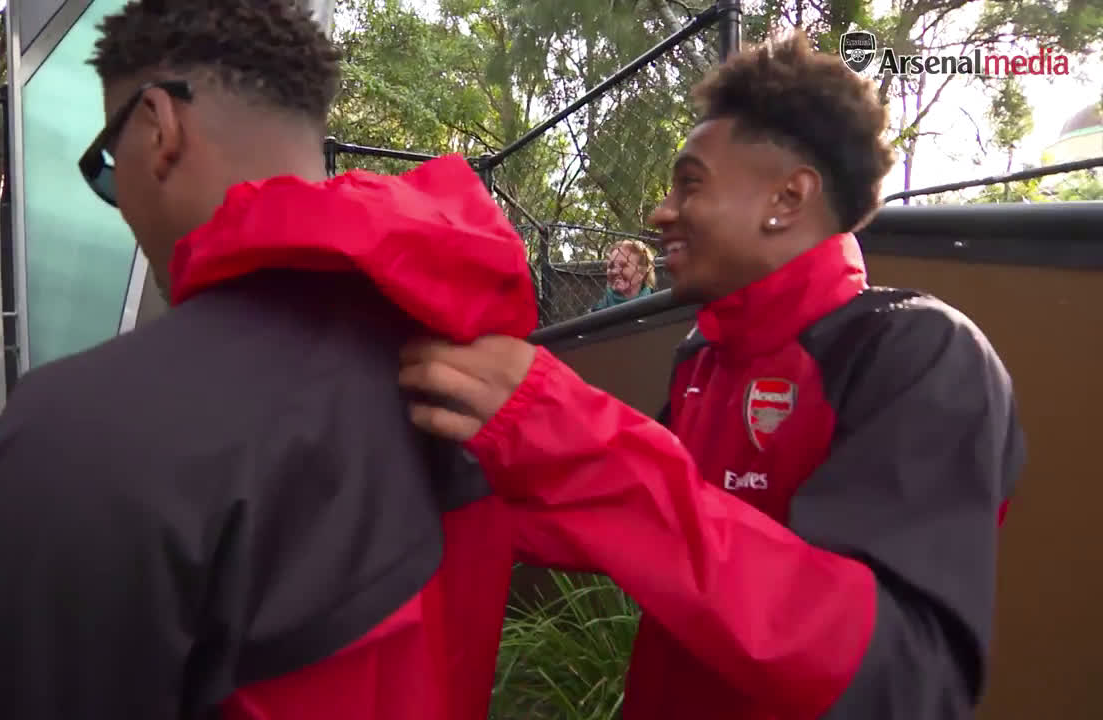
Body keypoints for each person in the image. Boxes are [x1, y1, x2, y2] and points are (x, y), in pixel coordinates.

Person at [0, 2, 536, 719]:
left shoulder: (83, 432)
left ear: (159, 127)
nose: (120, 202)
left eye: (108, 168)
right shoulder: (498, 392)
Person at [399, 31, 1023, 720]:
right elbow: (635, 529)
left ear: (787, 198)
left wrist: (571, 436)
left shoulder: (920, 354)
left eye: (689, 184)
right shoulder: (706, 355)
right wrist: (437, 474)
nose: (660, 212)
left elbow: (904, 678)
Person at [591, 239, 657, 311]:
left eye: (623, 266)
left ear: (642, 272)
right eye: (611, 266)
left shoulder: (658, 307)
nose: (615, 272)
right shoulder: (597, 311)